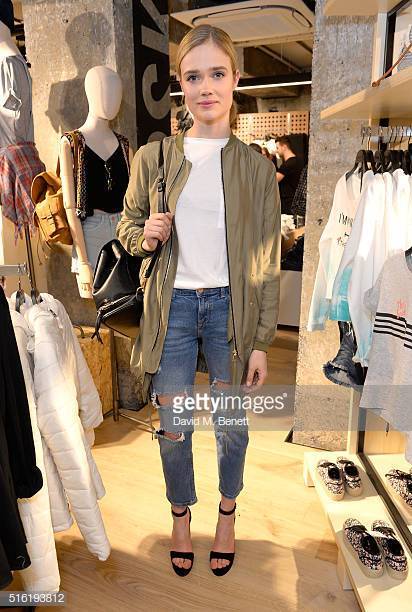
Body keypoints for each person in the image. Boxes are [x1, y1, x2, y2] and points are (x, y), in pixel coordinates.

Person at [117, 24, 281, 578]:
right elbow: (127, 227)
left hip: (231, 313)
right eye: (193, 76)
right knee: (173, 427)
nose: (205, 87)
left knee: (231, 426)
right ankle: (181, 515)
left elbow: (265, 262)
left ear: (235, 79)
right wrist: (145, 237)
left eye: (216, 74)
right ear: (180, 84)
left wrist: (262, 342)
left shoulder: (256, 169)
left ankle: (227, 513)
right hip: (174, 312)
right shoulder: (155, 157)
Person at [276, 135, 304, 214]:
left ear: (284, 147)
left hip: (288, 204)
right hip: (293, 202)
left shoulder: (289, 164)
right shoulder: (297, 161)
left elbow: (273, 180)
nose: (276, 151)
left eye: (277, 148)